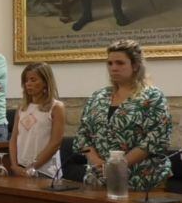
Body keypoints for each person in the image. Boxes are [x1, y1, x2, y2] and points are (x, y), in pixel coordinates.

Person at [73, 40, 171, 189]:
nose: (114, 68)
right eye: (110, 63)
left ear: (135, 65)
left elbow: (156, 138)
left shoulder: (152, 96)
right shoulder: (98, 96)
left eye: (120, 63)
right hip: (98, 179)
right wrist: (94, 160)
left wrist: (117, 165)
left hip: (140, 180)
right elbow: (83, 133)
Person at [9, 63, 65, 179]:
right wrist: (14, 165)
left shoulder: (56, 107)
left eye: (33, 80)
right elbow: (14, 138)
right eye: (26, 80)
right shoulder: (22, 108)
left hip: (44, 170)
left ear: (45, 82)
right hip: (21, 168)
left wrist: (33, 167)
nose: (28, 84)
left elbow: (55, 143)